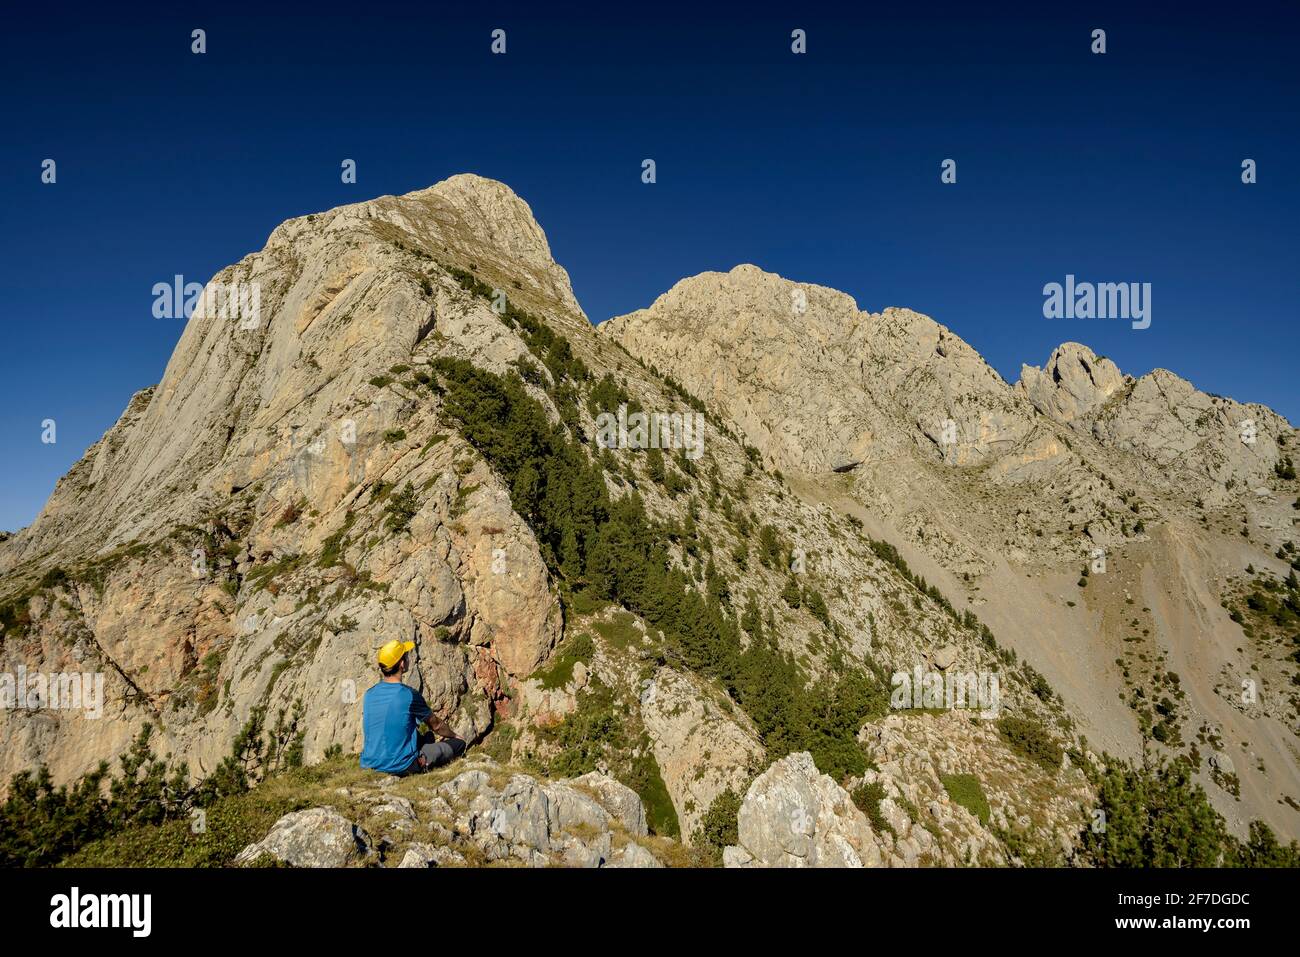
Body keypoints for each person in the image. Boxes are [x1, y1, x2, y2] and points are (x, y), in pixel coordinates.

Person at [360, 639, 465, 775]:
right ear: (402, 664)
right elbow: (437, 726)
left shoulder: (369, 694)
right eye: (406, 656)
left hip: (370, 764)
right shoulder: (408, 695)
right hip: (401, 766)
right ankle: (423, 763)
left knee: (427, 737)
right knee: (459, 744)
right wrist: (455, 736)